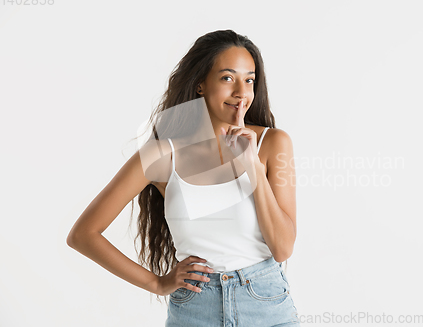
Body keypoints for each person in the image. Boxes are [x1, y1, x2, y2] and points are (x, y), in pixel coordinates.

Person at [67, 29, 300, 326]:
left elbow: (282, 248)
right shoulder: (161, 155)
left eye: (249, 80)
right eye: (228, 78)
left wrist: (250, 163)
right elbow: (83, 234)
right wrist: (157, 283)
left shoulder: (273, 144)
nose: (242, 92)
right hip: (195, 310)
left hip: (265, 306)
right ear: (201, 84)